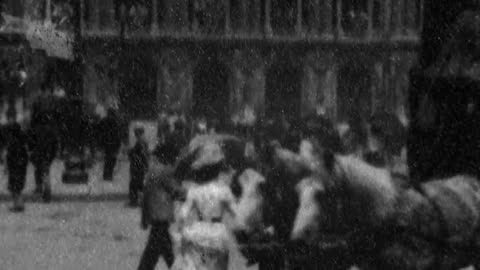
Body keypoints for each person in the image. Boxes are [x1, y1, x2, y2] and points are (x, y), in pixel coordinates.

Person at [171, 143, 237, 270]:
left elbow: (182, 215)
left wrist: (180, 233)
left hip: (198, 232)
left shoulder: (194, 190)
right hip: (218, 235)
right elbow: (238, 214)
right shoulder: (224, 191)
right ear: (218, 169)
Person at [138, 163, 186, 270]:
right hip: (161, 214)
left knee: (162, 247)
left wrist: (144, 216)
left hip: (155, 213)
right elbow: (176, 191)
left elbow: (146, 194)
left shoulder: (154, 170)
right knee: (156, 249)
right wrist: (190, 193)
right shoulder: (164, 172)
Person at [27, 115, 57, 202]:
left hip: (37, 155)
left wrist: (32, 152)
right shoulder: (51, 132)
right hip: (47, 155)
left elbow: (30, 143)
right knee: (45, 174)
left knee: (38, 172)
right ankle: (47, 194)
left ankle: (39, 192)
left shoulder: (35, 130)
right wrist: (52, 156)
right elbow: (55, 145)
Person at [5, 113, 28, 212]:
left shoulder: (12, 143)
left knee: (14, 189)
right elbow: (26, 157)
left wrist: (7, 167)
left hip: (14, 168)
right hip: (21, 168)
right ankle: (20, 204)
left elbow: (9, 156)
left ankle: (17, 205)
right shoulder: (22, 143)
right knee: (18, 188)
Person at [98, 108, 122, 181]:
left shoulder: (104, 121)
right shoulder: (116, 122)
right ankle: (108, 175)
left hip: (107, 144)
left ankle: (107, 175)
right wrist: (118, 145)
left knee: (108, 160)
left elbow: (99, 133)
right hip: (112, 144)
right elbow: (118, 135)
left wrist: (100, 144)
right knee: (111, 160)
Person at [127, 127, 149, 207]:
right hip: (140, 165)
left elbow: (140, 153)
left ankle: (134, 201)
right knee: (139, 183)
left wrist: (130, 152)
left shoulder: (140, 141)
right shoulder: (143, 140)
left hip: (137, 165)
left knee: (134, 184)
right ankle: (142, 200)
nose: (135, 135)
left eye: (136, 133)